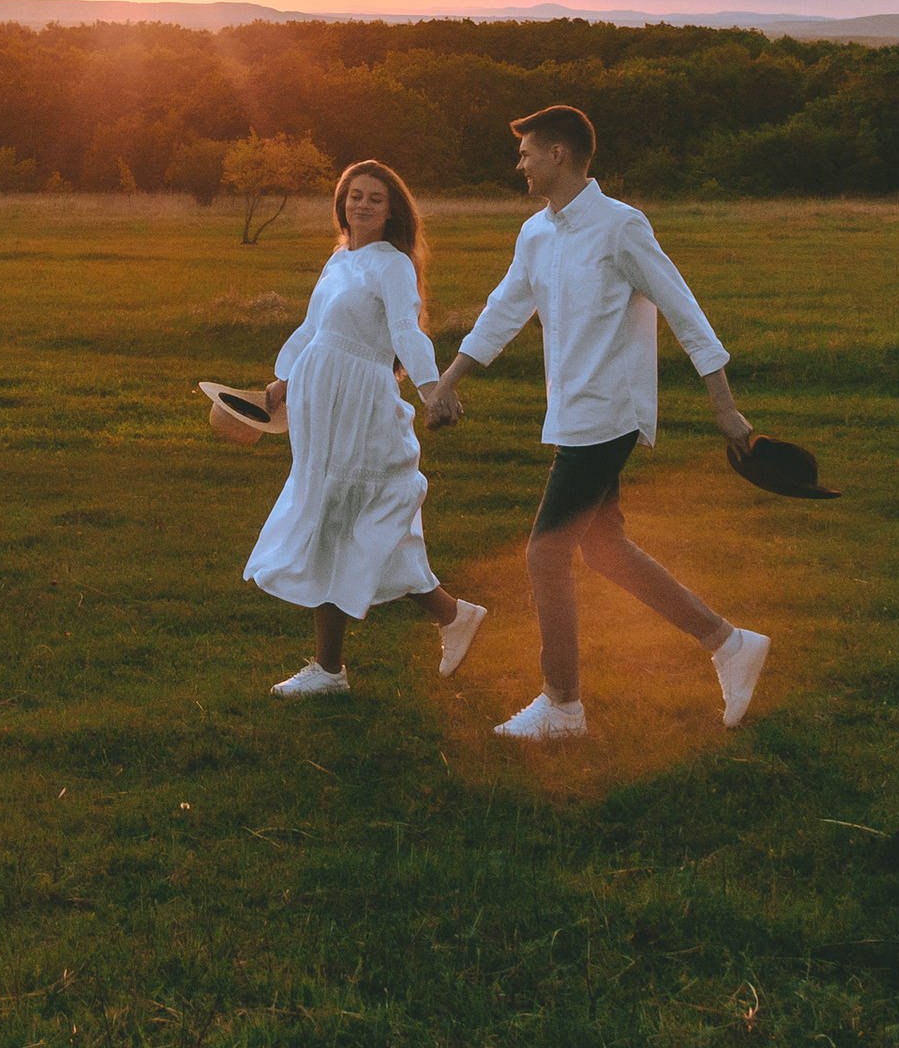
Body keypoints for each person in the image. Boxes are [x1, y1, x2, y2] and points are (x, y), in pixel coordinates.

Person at [423, 105, 770, 742]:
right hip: (571, 411)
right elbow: (504, 310)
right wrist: (448, 382)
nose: (520, 165)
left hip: (610, 412)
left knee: (545, 554)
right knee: (604, 549)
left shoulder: (620, 226)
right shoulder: (536, 233)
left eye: (526, 153)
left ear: (559, 154)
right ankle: (729, 643)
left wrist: (723, 404)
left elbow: (684, 310)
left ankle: (563, 706)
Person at [243, 159, 486, 700]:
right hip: (321, 405)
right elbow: (314, 327)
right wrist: (283, 378)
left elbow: (406, 329)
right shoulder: (339, 259)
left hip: (361, 405)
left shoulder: (392, 264)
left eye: (376, 198)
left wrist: (432, 389)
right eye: (355, 195)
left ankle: (348, 663)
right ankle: (440, 621)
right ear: (342, 202)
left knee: (348, 517)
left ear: (392, 209)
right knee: (338, 519)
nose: (363, 205)